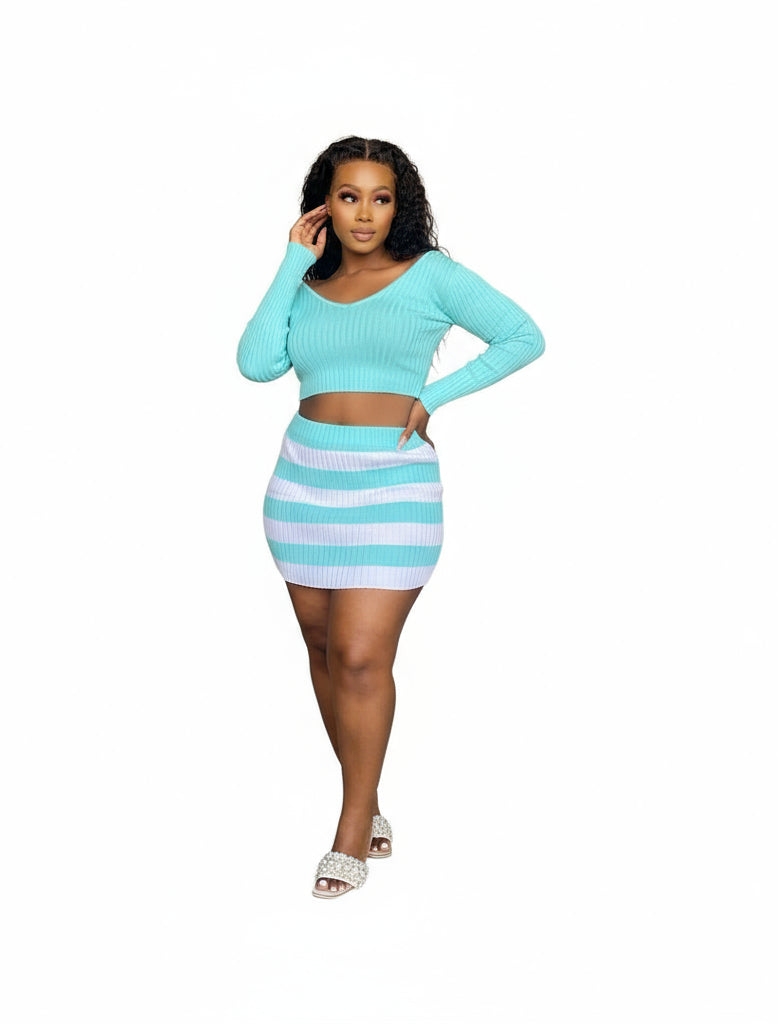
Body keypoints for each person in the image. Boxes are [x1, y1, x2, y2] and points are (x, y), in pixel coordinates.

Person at [236, 136, 545, 898]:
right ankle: (367, 800)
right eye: (349, 197)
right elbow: (256, 363)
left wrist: (432, 398)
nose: (365, 214)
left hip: (393, 488)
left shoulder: (430, 275)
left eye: (381, 198)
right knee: (322, 652)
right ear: (325, 205)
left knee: (360, 657)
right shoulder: (306, 280)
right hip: (302, 484)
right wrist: (289, 261)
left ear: (400, 205)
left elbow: (523, 335)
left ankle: (351, 830)